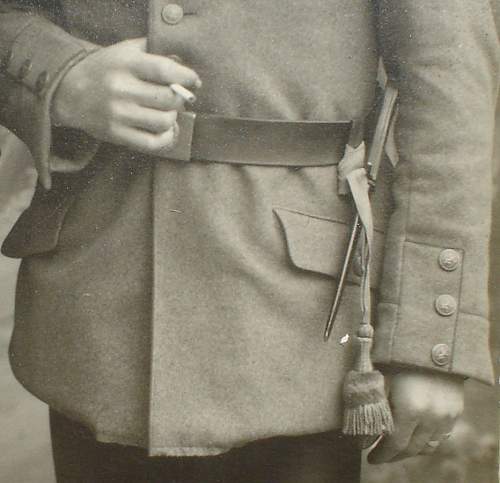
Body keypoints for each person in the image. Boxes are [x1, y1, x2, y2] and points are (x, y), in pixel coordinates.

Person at [0, 1, 497, 482]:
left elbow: (449, 90)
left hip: (298, 323)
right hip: (98, 304)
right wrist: (62, 76)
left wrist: (428, 336)